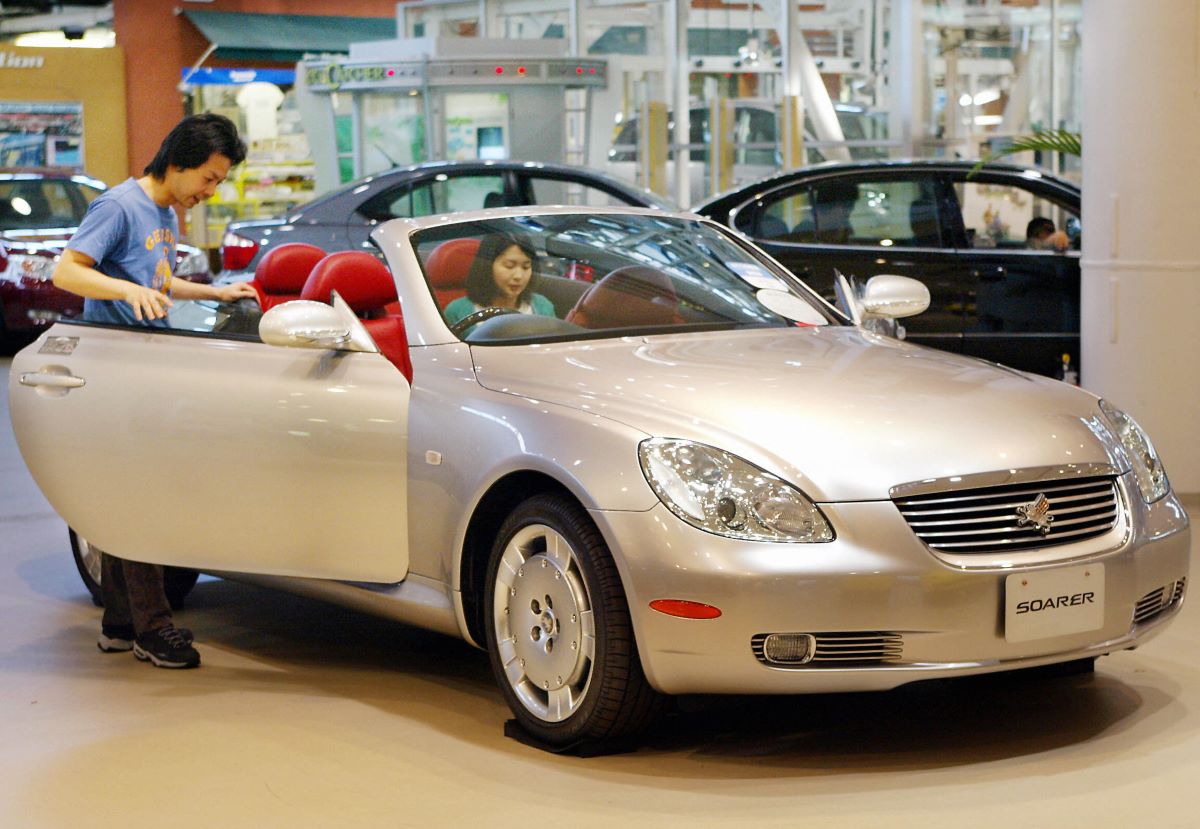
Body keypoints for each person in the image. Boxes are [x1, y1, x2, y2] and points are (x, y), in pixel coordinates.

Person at [51, 113, 257, 669]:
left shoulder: (164, 212)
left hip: (145, 372)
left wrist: (214, 290)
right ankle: (154, 628)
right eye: (208, 179)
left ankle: (121, 623)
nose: (209, 193)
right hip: (116, 374)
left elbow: (157, 282)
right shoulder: (119, 206)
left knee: (126, 497)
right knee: (143, 499)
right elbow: (66, 271)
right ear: (178, 161)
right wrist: (121, 289)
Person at [442, 233, 556, 327]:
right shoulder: (457, 311)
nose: (519, 276)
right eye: (509, 266)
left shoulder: (543, 307)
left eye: (526, 267)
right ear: (487, 266)